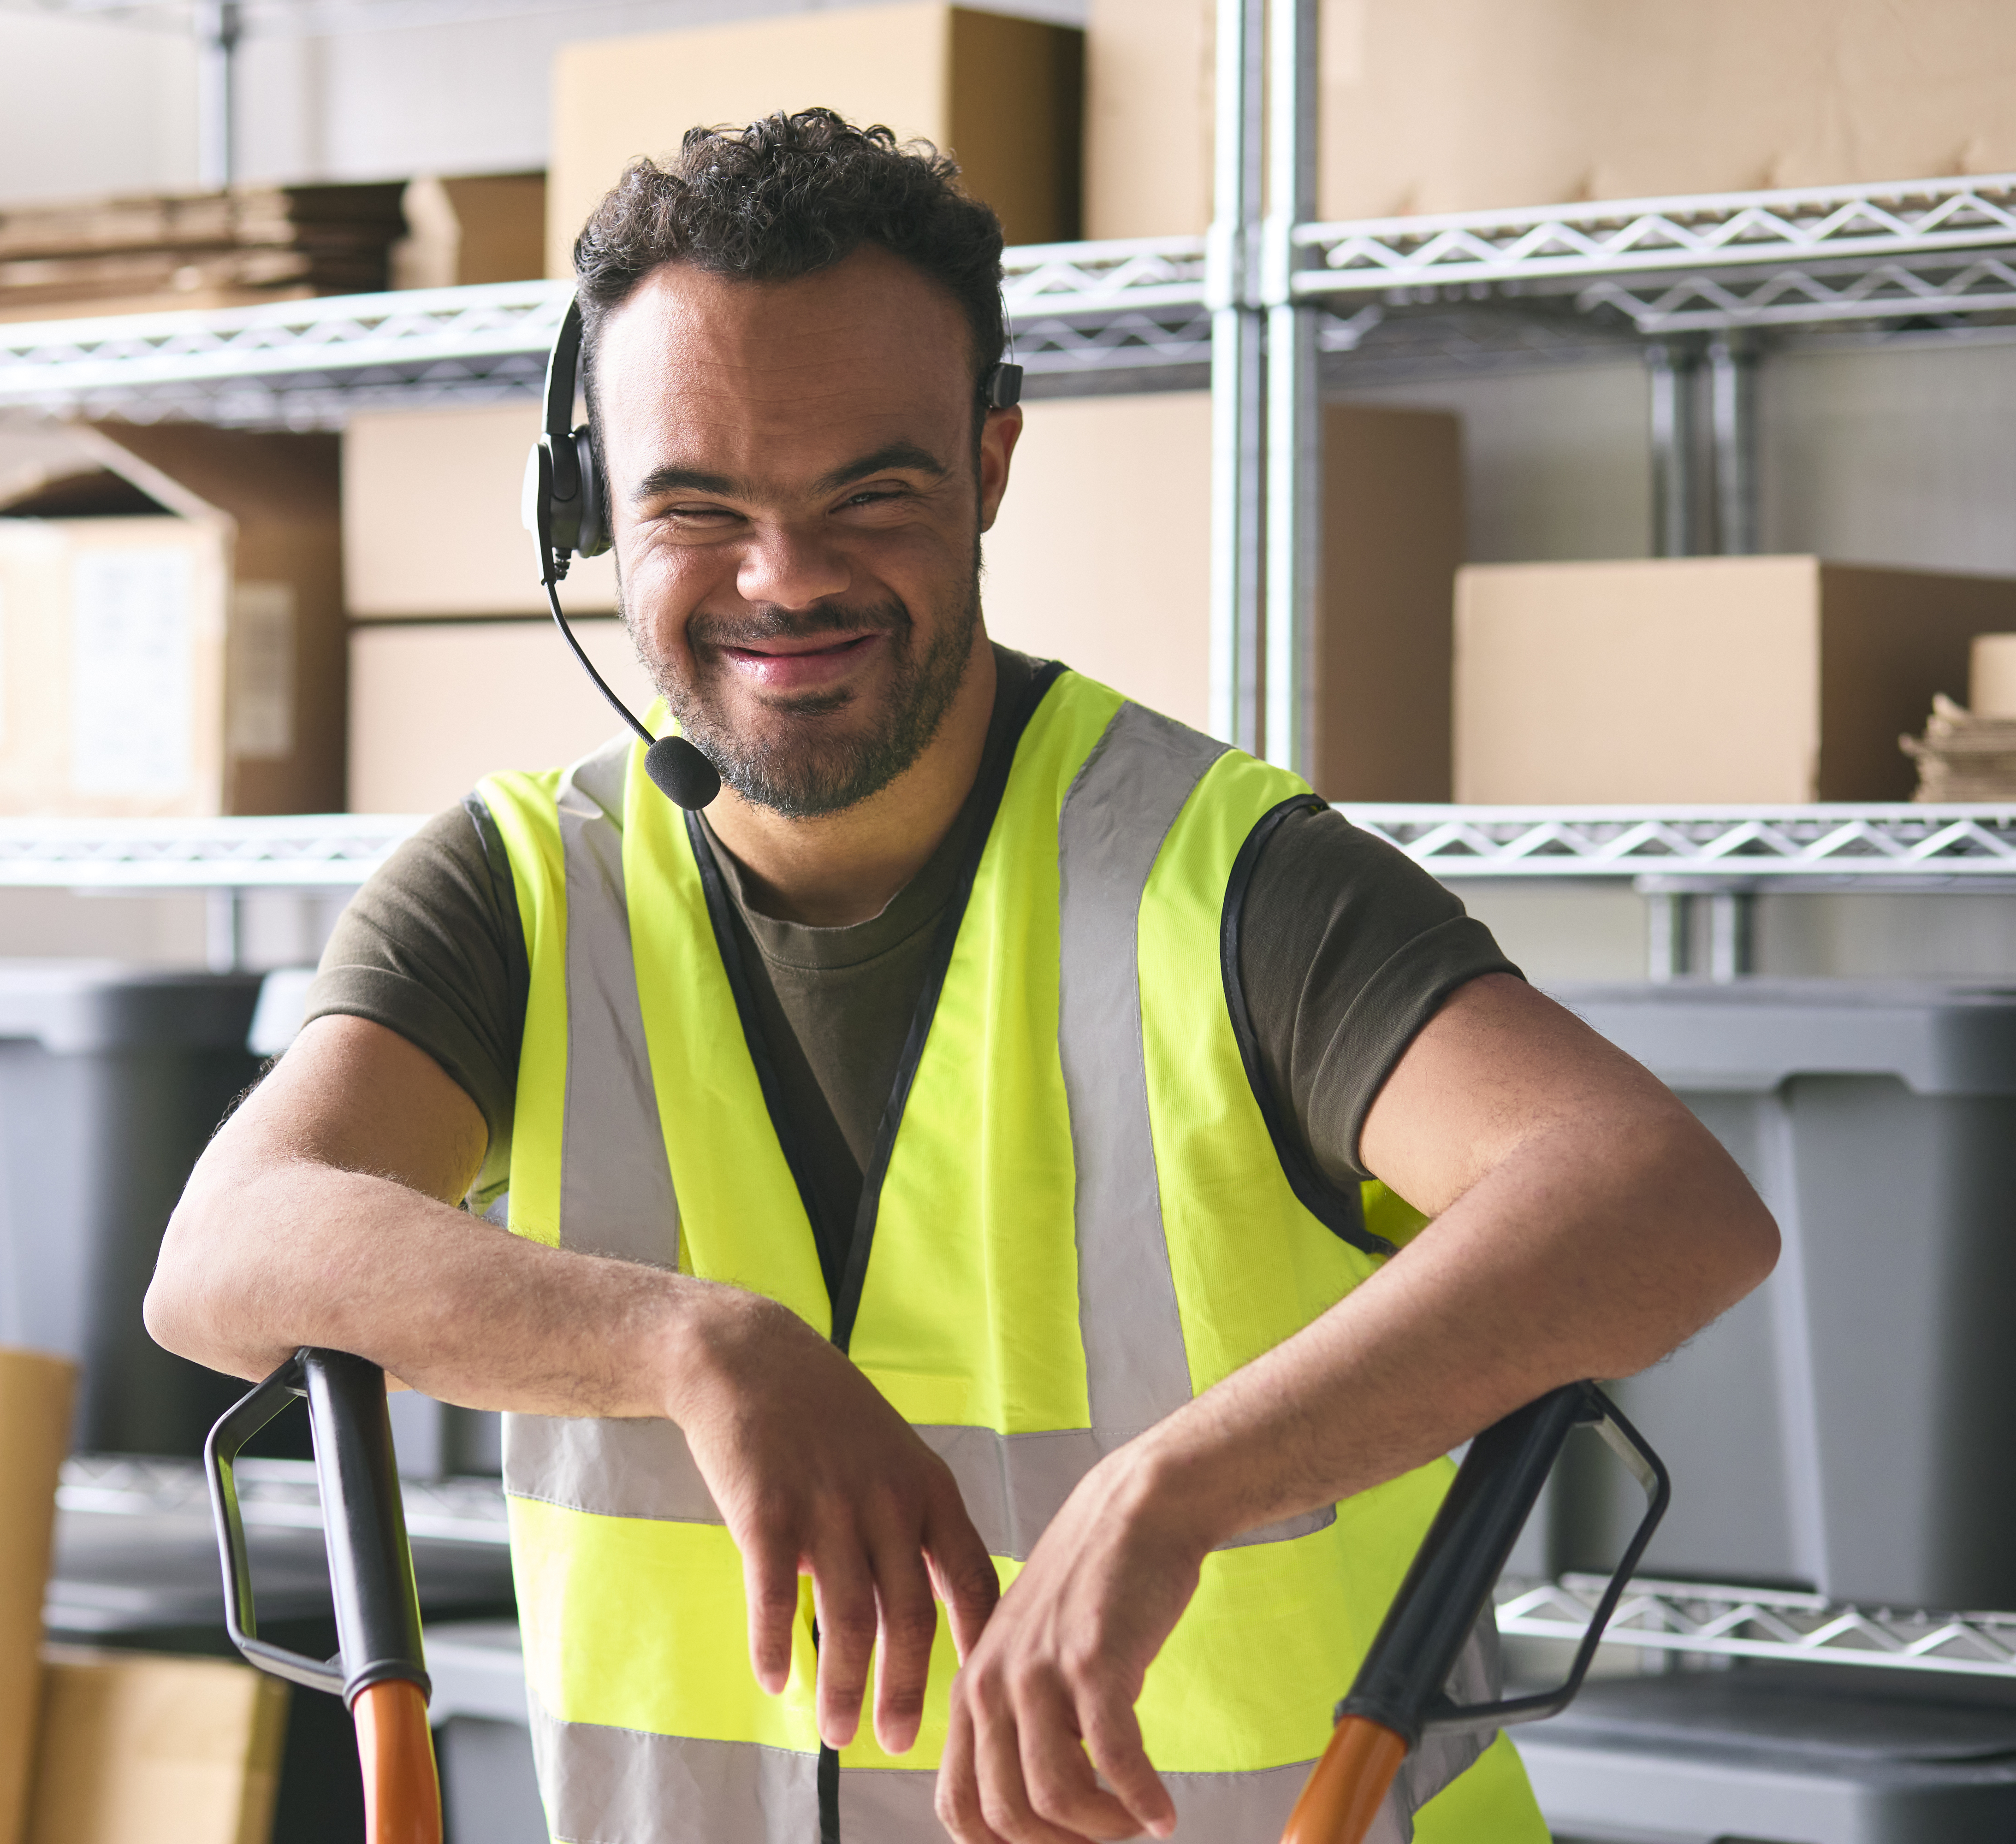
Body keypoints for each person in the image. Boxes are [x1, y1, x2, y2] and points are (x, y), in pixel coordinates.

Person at [148, 110, 1777, 1844]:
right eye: (698, 506)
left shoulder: (1225, 879)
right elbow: (225, 1253)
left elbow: (1661, 1204)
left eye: (876, 490)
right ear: (593, 511)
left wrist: (1175, 1490)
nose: (786, 581)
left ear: (992, 465)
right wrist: (696, 1345)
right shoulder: (521, 892)